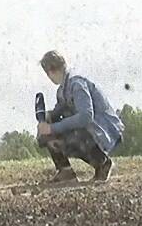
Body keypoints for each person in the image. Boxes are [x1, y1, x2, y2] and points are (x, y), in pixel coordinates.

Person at [37, 50, 124, 183]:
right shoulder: (62, 90)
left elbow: (86, 116)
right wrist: (46, 120)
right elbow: (59, 111)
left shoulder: (76, 83)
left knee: (66, 133)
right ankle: (65, 171)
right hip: (91, 130)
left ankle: (103, 163)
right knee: (51, 130)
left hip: (103, 130)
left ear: (51, 71)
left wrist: (52, 129)